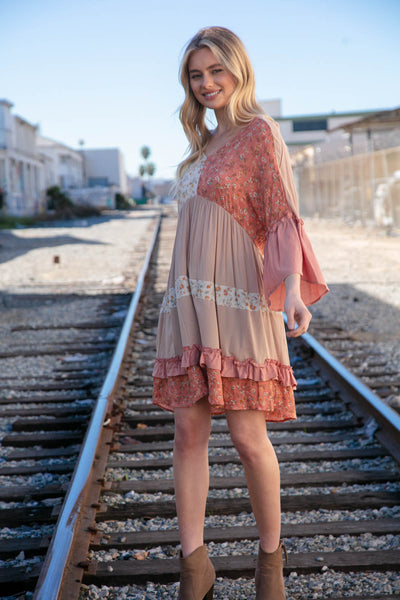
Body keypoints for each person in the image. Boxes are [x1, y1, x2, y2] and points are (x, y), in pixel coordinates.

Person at [152, 26, 328, 600]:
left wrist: (293, 292)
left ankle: (270, 565)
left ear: (237, 70)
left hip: (239, 300)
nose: (206, 83)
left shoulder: (259, 134)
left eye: (215, 72)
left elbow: (282, 216)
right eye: (196, 75)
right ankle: (193, 567)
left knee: (250, 437)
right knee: (186, 432)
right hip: (188, 301)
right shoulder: (198, 147)